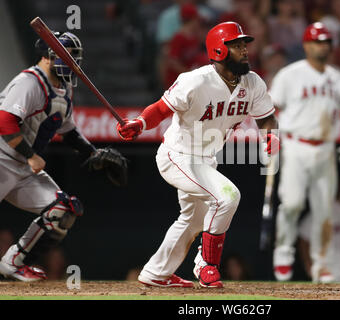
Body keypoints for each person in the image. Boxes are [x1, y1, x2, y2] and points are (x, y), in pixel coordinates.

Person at [117, 21, 279, 288]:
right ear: (219, 50)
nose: (245, 50)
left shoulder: (252, 83)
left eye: (244, 44)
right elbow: (160, 109)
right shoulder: (195, 81)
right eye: (236, 45)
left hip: (206, 160)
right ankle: (207, 265)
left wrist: (270, 135)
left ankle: (156, 273)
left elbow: (266, 118)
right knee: (228, 196)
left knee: (192, 222)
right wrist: (140, 123)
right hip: (177, 156)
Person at [0, 32, 128, 282]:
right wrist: (30, 155)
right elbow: (5, 122)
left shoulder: (63, 88)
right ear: (48, 57)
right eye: (67, 58)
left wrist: (93, 153)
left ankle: (13, 263)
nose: (72, 64)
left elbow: (67, 131)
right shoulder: (29, 83)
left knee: (62, 209)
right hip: (4, 158)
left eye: (74, 59)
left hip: (24, 168)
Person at [270, 22, 340, 283]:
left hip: (325, 149)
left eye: (326, 42)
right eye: (317, 41)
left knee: (324, 211)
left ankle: (322, 265)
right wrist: (269, 137)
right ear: (306, 45)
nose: (322, 46)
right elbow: (268, 111)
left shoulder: (339, 79)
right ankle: (283, 251)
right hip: (295, 144)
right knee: (292, 203)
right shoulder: (290, 75)